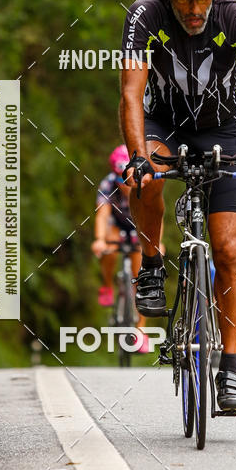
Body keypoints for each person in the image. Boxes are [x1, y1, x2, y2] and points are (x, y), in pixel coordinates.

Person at [119, 0, 236, 412]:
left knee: (228, 249)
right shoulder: (145, 15)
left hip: (222, 130)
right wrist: (140, 156)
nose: (194, 8)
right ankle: (150, 262)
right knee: (141, 178)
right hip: (162, 122)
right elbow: (130, 94)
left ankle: (229, 368)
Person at [91, 145, 150, 353]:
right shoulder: (108, 184)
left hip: (140, 227)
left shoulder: (145, 183)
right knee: (108, 242)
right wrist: (99, 240)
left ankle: (141, 331)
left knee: (142, 275)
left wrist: (155, 244)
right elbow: (102, 215)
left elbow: (154, 219)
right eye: (120, 179)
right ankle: (107, 284)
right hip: (117, 224)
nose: (124, 185)